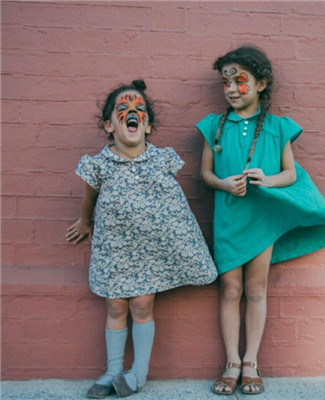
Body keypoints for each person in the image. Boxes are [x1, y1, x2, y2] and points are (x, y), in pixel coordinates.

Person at [196, 45, 325, 395]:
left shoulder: (278, 128)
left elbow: (290, 174)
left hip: (261, 220)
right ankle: (231, 363)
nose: (231, 89)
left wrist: (266, 180)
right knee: (230, 288)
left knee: (255, 288)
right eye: (225, 82)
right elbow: (204, 174)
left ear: (262, 83)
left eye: (239, 80)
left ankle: (250, 362)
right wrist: (223, 184)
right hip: (229, 217)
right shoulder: (214, 127)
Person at [66, 79, 217, 398]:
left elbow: (175, 205)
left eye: (139, 109)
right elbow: (89, 197)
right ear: (109, 125)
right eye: (123, 109)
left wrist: (181, 242)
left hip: (150, 254)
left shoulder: (163, 159)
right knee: (115, 306)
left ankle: (139, 372)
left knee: (142, 305)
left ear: (147, 126)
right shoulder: (99, 164)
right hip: (115, 249)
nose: (132, 112)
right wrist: (84, 221)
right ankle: (113, 370)